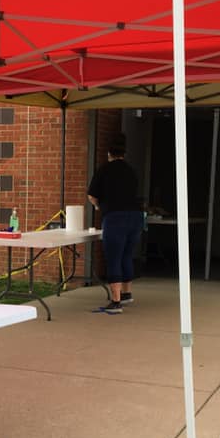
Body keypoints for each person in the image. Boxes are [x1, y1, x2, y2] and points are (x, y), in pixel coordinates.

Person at [86, 133, 143, 314]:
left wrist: (98, 206)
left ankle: (115, 301)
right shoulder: (131, 171)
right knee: (127, 254)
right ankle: (127, 293)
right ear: (124, 154)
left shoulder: (104, 170)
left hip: (115, 217)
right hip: (135, 217)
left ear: (108, 153)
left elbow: (92, 195)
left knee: (113, 257)